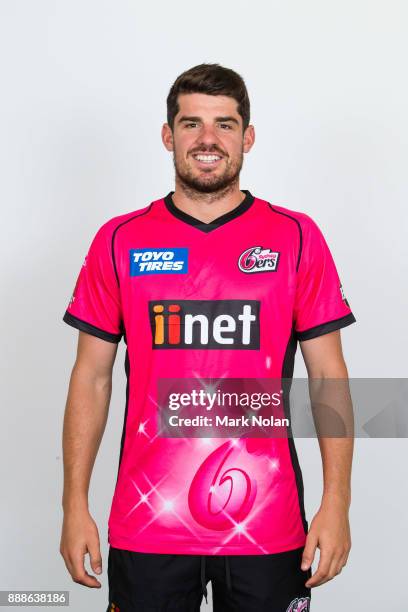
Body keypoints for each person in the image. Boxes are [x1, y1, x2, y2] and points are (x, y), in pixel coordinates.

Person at [60, 63, 356, 612]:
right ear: (169, 136)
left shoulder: (295, 236)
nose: (208, 139)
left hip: (268, 523)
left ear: (247, 137)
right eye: (191, 123)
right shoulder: (120, 239)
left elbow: (328, 378)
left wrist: (336, 503)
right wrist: (73, 504)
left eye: (224, 124)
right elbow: (92, 378)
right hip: (148, 524)